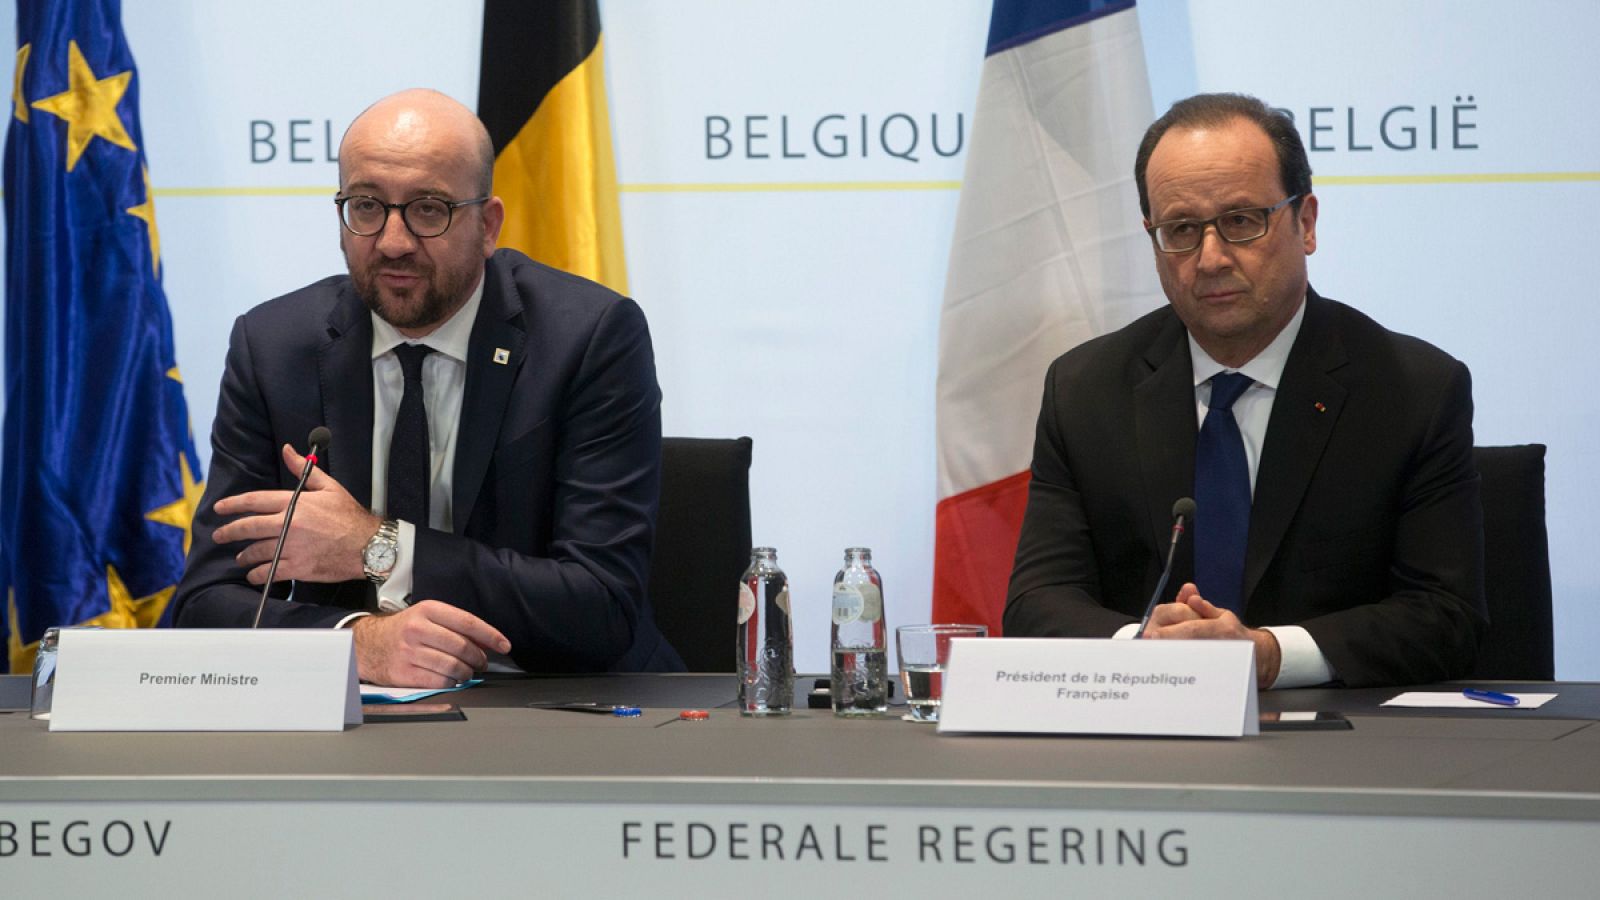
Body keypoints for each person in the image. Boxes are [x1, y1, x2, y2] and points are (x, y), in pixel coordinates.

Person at [173, 89, 683, 685]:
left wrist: (376, 546)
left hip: (554, 703)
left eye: (428, 209)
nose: (392, 240)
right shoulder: (273, 346)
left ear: (487, 225)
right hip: (358, 716)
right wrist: (355, 644)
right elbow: (205, 605)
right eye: (366, 206)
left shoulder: (588, 338)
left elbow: (601, 606)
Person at [1003, 93, 1485, 688]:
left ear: (1305, 223)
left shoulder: (1413, 390)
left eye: (1240, 221)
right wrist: (1149, 650)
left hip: (1341, 750)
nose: (1209, 258)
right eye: (1180, 229)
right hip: (1139, 741)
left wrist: (1266, 655)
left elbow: (1445, 616)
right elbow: (1037, 602)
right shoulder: (1085, 390)